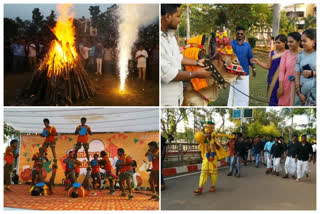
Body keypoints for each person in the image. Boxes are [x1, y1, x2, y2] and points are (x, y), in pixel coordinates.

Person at [161, 4, 211, 106]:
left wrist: (197, 62)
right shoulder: (160, 40)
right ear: (167, 17)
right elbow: (167, 73)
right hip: (165, 101)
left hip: (178, 97)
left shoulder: (170, 37)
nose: (180, 20)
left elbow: (178, 57)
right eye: (178, 16)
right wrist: (195, 75)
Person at [193, 121, 231, 193]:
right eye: (206, 133)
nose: (208, 134)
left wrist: (213, 142)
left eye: (209, 133)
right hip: (206, 159)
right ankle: (200, 187)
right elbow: (200, 146)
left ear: (211, 133)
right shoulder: (204, 141)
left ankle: (213, 186)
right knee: (203, 173)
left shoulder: (215, 140)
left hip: (214, 159)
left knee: (213, 174)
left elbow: (218, 148)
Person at [251, 34, 287, 106]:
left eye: (279, 42)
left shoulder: (288, 53)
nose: (276, 44)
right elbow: (268, 66)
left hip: (283, 80)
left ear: (285, 43)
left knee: (282, 99)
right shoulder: (272, 53)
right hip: (272, 79)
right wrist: (258, 61)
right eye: (276, 42)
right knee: (272, 99)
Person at [227, 26, 256, 106]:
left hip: (245, 73)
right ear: (235, 34)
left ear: (244, 35)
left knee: (244, 92)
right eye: (238, 33)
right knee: (234, 92)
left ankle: (243, 106)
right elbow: (228, 57)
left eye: (241, 34)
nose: (239, 35)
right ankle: (232, 106)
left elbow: (250, 58)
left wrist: (253, 69)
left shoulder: (247, 46)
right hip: (233, 72)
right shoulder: (231, 45)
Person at [277, 32, 301, 106]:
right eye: (288, 42)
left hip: (299, 85)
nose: (288, 44)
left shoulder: (302, 54)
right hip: (286, 85)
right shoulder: (286, 54)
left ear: (298, 42)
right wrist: (281, 86)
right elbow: (281, 71)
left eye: (291, 42)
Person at [294, 29, 316, 106]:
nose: (302, 43)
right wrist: (299, 93)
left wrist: (313, 73)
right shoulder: (300, 55)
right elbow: (296, 73)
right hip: (302, 93)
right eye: (301, 41)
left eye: (304, 41)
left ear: (313, 40)